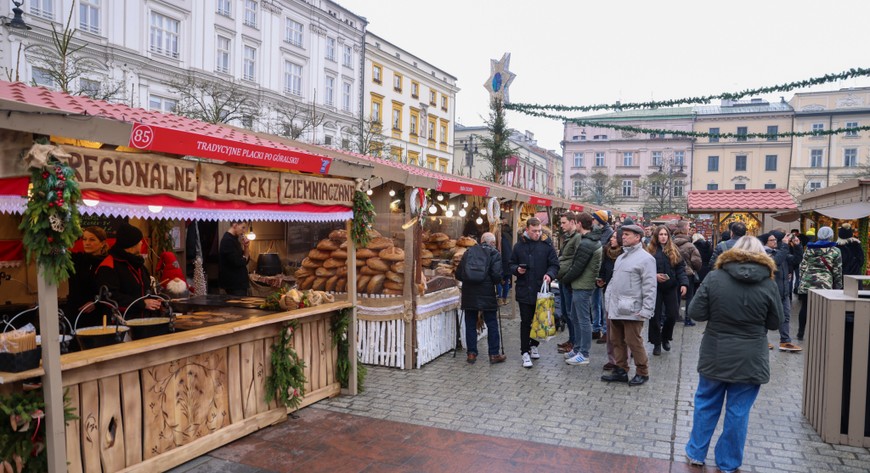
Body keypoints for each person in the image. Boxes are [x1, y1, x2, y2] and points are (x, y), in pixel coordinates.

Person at [685, 236, 784, 473]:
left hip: (715, 352)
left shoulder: (715, 277)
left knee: (706, 404)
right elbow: (775, 322)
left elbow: (696, 312)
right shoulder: (768, 283)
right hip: (751, 356)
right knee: (738, 411)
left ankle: (696, 453)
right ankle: (728, 463)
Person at [601, 224, 657, 386]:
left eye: (626, 234)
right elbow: (613, 284)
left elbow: (650, 287)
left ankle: (642, 372)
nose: (622, 237)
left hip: (634, 309)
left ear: (637, 237)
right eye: (622, 234)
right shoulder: (621, 257)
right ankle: (621, 369)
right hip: (616, 307)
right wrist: (609, 303)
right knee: (616, 340)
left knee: (634, 341)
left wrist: (647, 309)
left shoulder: (646, 259)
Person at [509, 217, 559, 369]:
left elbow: (554, 265)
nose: (537, 234)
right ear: (527, 229)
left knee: (539, 319)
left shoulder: (546, 246)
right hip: (524, 288)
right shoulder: (518, 246)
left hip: (540, 289)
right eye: (534, 231)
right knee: (525, 321)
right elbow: (511, 264)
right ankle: (524, 351)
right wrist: (517, 270)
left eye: (539, 231)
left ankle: (534, 345)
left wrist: (550, 275)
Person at [456, 232, 506, 364]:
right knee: (492, 323)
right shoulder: (494, 253)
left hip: (469, 293)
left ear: (481, 240)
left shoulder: (468, 252)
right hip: (487, 293)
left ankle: (471, 353)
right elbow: (496, 276)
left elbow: (459, 274)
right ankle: (494, 354)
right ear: (493, 243)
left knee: (470, 323)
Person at [560, 212, 602, 366]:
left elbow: (577, 267)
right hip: (580, 284)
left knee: (583, 320)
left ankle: (583, 353)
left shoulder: (586, 243)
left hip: (582, 285)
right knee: (576, 317)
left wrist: (565, 279)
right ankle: (577, 348)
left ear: (579, 224)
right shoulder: (589, 240)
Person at [95, 223, 162, 319]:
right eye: (140, 241)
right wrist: (141, 303)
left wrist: (155, 299)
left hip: (144, 321)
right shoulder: (109, 266)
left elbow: (146, 289)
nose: (142, 243)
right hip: (121, 323)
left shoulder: (137, 264)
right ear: (132, 244)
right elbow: (109, 297)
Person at [647, 225, 688, 356]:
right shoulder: (650, 250)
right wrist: (654, 276)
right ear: (656, 236)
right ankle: (656, 343)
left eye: (665, 234)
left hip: (671, 287)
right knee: (654, 317)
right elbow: (644, 269)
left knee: (672, 315)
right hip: (655, 288)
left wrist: (684, 283)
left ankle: (665, 337)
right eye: (661, 234)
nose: (663, 237)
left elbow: (680, 268)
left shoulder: (674, 249)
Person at [796, 226, 843, 340]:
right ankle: (820, 334)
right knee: (823, 309)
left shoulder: (809, 249)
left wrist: (801, 280)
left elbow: (802, 266)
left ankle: (801, 332)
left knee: (805, 307)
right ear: (831, 236)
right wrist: (838, 286)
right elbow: (837, 270)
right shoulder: (835, 250)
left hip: (807, 281)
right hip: (824, 284)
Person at [764, 231, 800, 352]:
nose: (775, 242)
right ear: (765, 242)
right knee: (765, 316)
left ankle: (785, 341)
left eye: (775, 240)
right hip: (770, 292)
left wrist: (798, 246)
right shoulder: (764, 254)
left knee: (785, 316)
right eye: (772, 240)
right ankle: (762, 340)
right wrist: (785, 245)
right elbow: (775, 262)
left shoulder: (780, 252)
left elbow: (796, 260)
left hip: (784, 291)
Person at [68, 226, 109, 328]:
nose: (87, 243)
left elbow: (113, 290)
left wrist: (97, 303)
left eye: (92, 239)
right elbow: (53, 252)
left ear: (102, 243)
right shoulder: (77, 259)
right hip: (74, 314)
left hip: (98, 316)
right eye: (84, 239)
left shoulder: (108, 262)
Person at [555, 213, 580, 355]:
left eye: (564, 223)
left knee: (571, 314)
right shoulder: (569, 237)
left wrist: (570, 276)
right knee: (565, 312)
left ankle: (574, 342)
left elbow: (577, 259)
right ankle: (571, 340)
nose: (562, 225)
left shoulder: (577, 238)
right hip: (563, 279)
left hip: (569, 280)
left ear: (572, 222)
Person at [599, 231, 623, 370]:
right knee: (609, 328)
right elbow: (603, 270)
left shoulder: (624, 255)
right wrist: (600, 280)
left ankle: (622, 359)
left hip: (622, 296)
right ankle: (612, 359)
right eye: (611, 237)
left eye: (615, 237)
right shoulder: (606, 252)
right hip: (608, 293)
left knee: (621, 329)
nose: (612, 239)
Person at [673, 221, 702, 327]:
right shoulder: (690, 246)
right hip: (688, 273)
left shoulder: (670, 245)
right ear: (685, 229)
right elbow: (697, 262)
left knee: (675, 296)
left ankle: (674, 316)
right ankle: (687, 319)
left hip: (674, 273)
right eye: (689, 227)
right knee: (689, 296)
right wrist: (695, 269)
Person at [219, 221, 251, 296]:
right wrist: (244, 258)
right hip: (234, 284)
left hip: (239, 283)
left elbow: (245, 261)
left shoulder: (234, 239)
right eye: (243, 227)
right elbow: (238, 262)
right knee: (238, 307)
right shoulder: (228, 240)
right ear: (235, 225)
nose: (244, 231)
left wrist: (246, 247)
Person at [497, 222, 514, 305]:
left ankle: (500, 298)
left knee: (499, 281)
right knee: (506, 281)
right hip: (508, 263)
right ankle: (504, 298)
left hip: (503, 264)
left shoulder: (500, 241)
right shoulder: (509, 238)